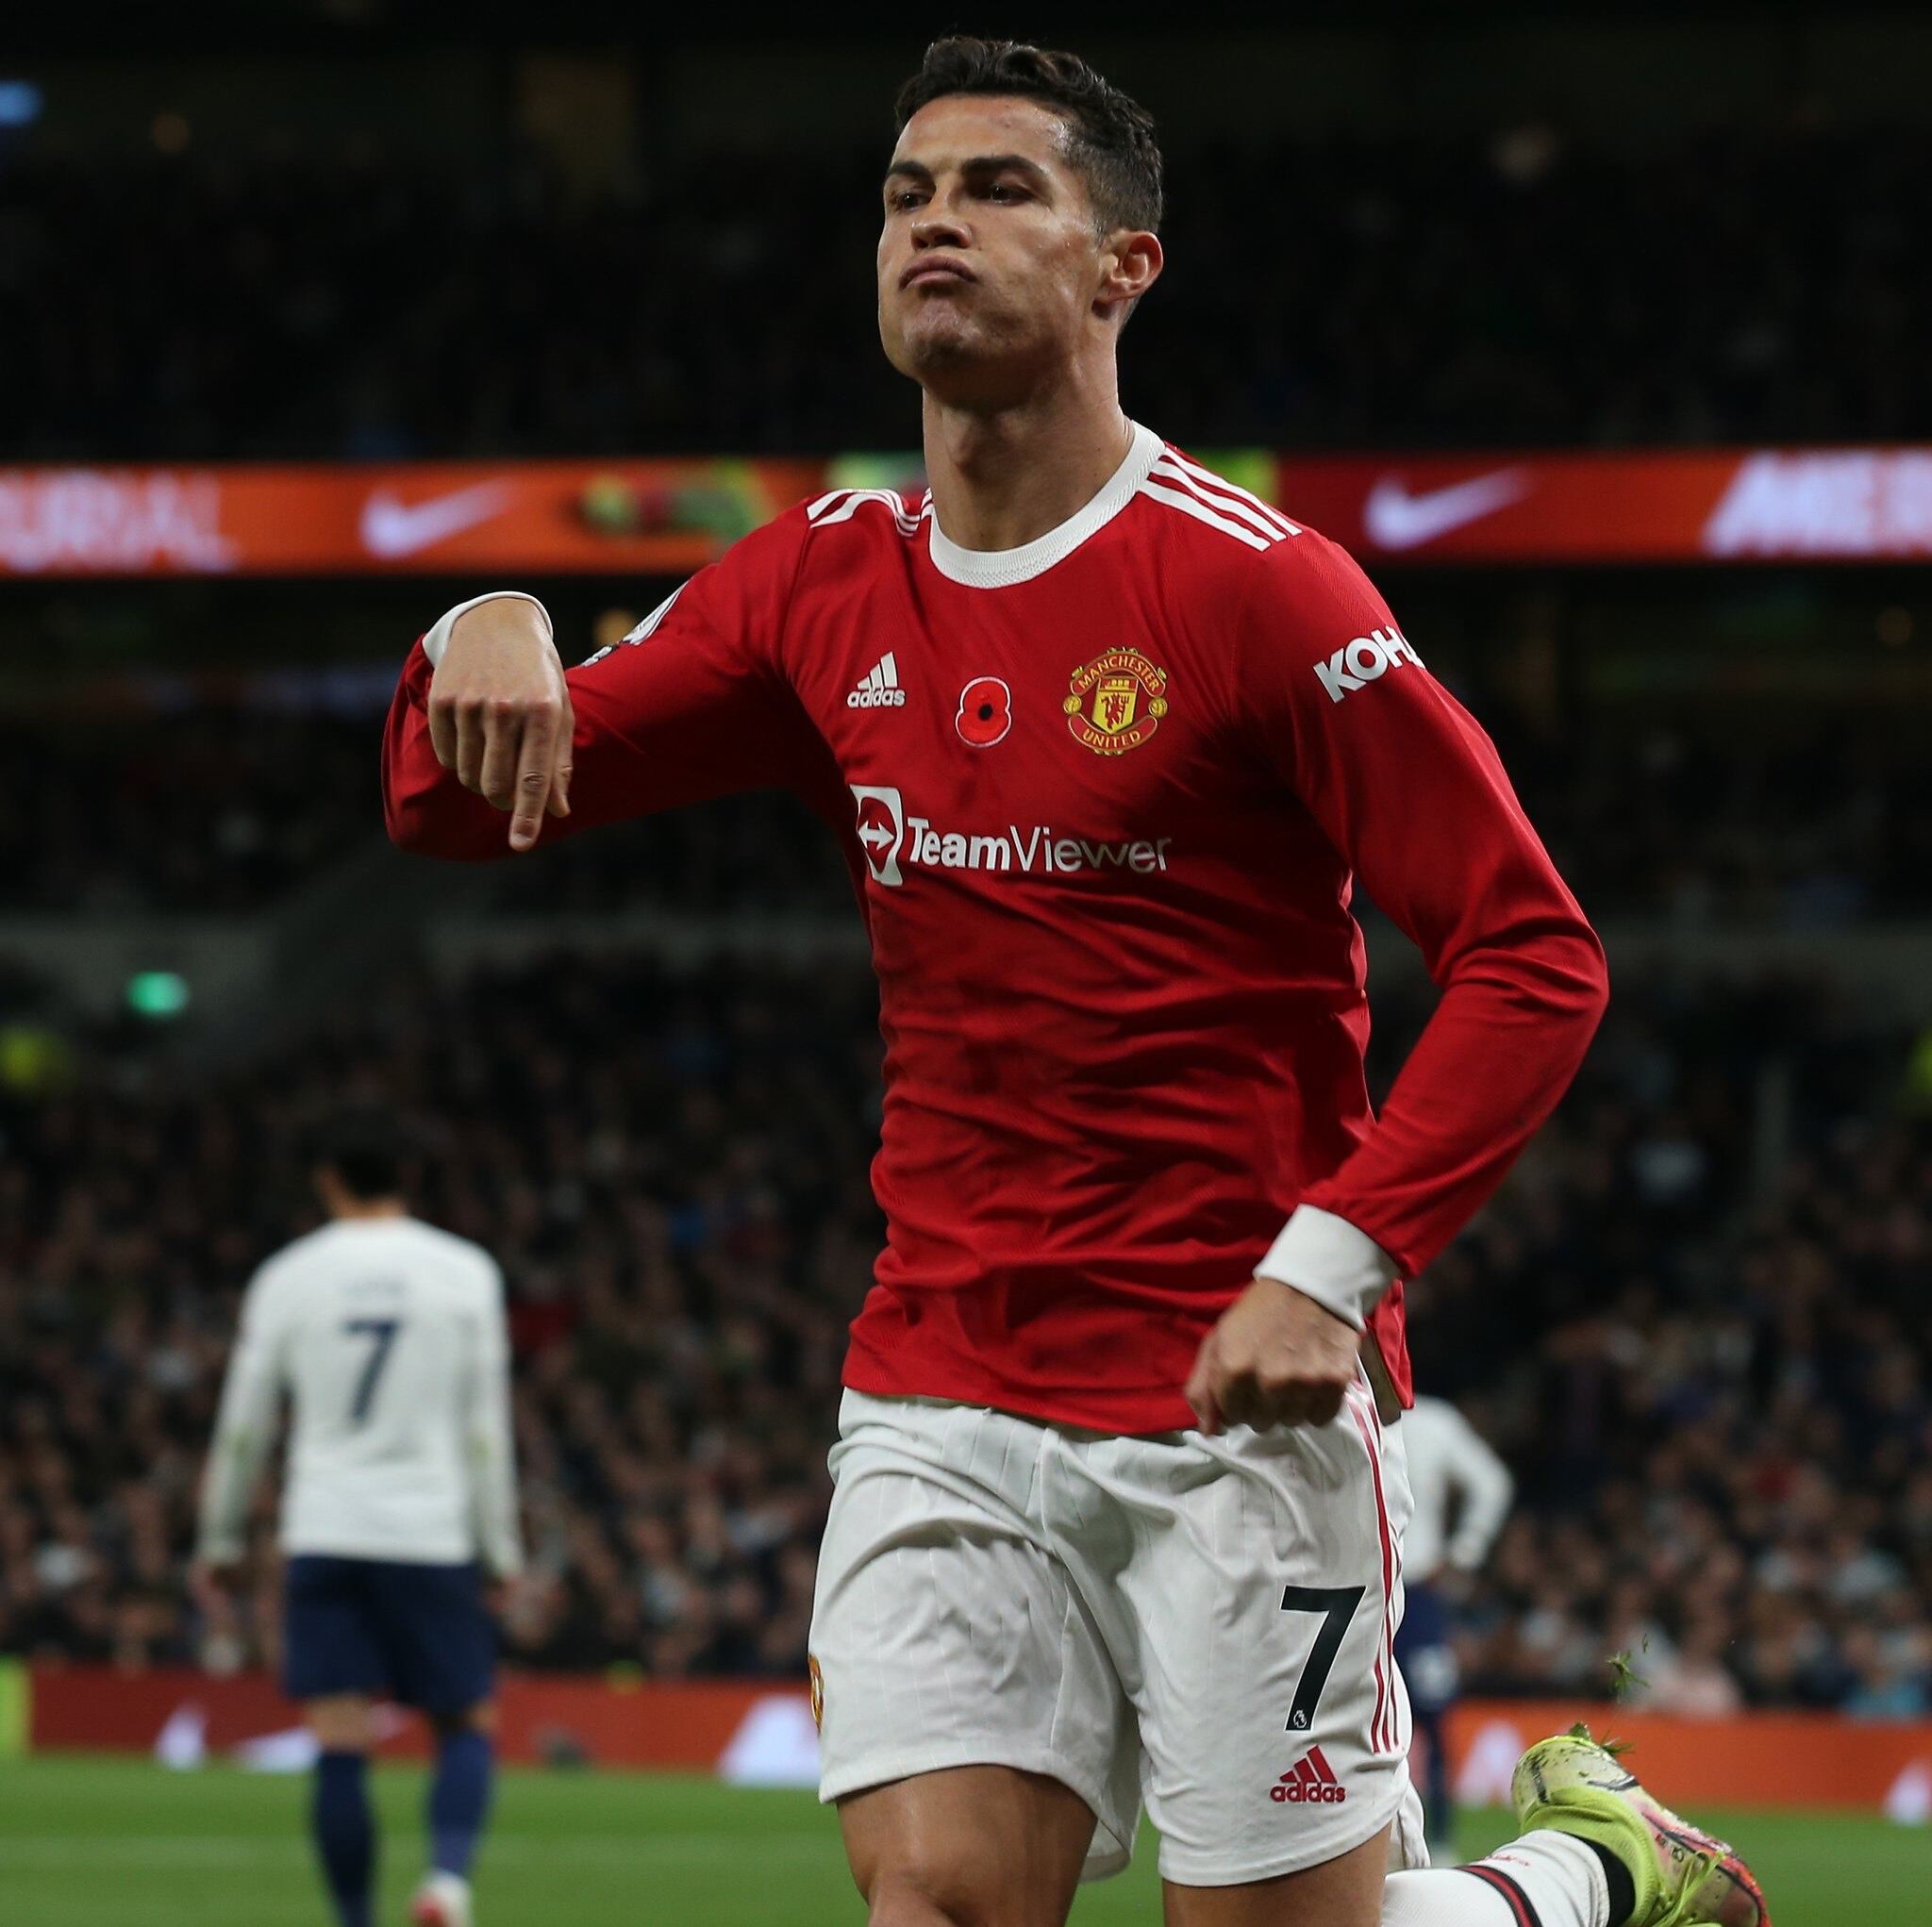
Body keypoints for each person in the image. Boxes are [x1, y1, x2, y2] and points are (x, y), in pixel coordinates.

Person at [380, 34, 1763, 1927]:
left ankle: (1588, 1875)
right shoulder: (816, 584)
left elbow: (1534, 953)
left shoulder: (1262, 593)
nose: (934, 219)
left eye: (999, 186)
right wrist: (491, 612)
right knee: (935, 1904)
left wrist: (1331, 1259)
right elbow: (457, 803)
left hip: (1233, 1391)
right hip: (939, 1381)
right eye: (903, 193)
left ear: (1125, 265)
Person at [192, 1108, 522, 1927]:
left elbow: (242, 1428)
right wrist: (501, 1548)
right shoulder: (465, 1272)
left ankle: (354, 1920)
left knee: (339, 1737)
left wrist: (220, 1538)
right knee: (466, 1718)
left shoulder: (288, 1277)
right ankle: (445, 1880)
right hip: (430, 1529)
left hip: (326, 1527)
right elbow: (486, 1429)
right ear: (407, 1178)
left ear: (326, 1179)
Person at [1391, 1395, 1516, 1856]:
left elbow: (1492, 1482)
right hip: (1360, 1593)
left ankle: (1439, 1841)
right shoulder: (1338, 1406)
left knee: (1432, 1718)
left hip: (1418, 1593)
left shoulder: (1434, 1422)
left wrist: (1466, 1550)